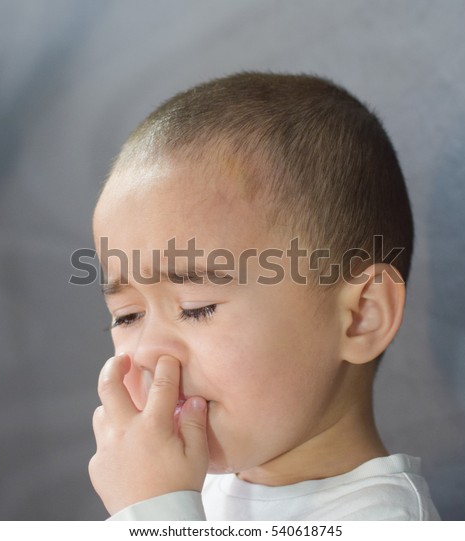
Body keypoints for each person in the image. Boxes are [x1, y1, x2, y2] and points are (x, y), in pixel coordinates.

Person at [88, 72, 440, 520]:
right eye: (127, 316)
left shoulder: (385, 520)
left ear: (360, 316)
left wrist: (152, 511)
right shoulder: (189, 483)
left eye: (198, 308)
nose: (148, 354)